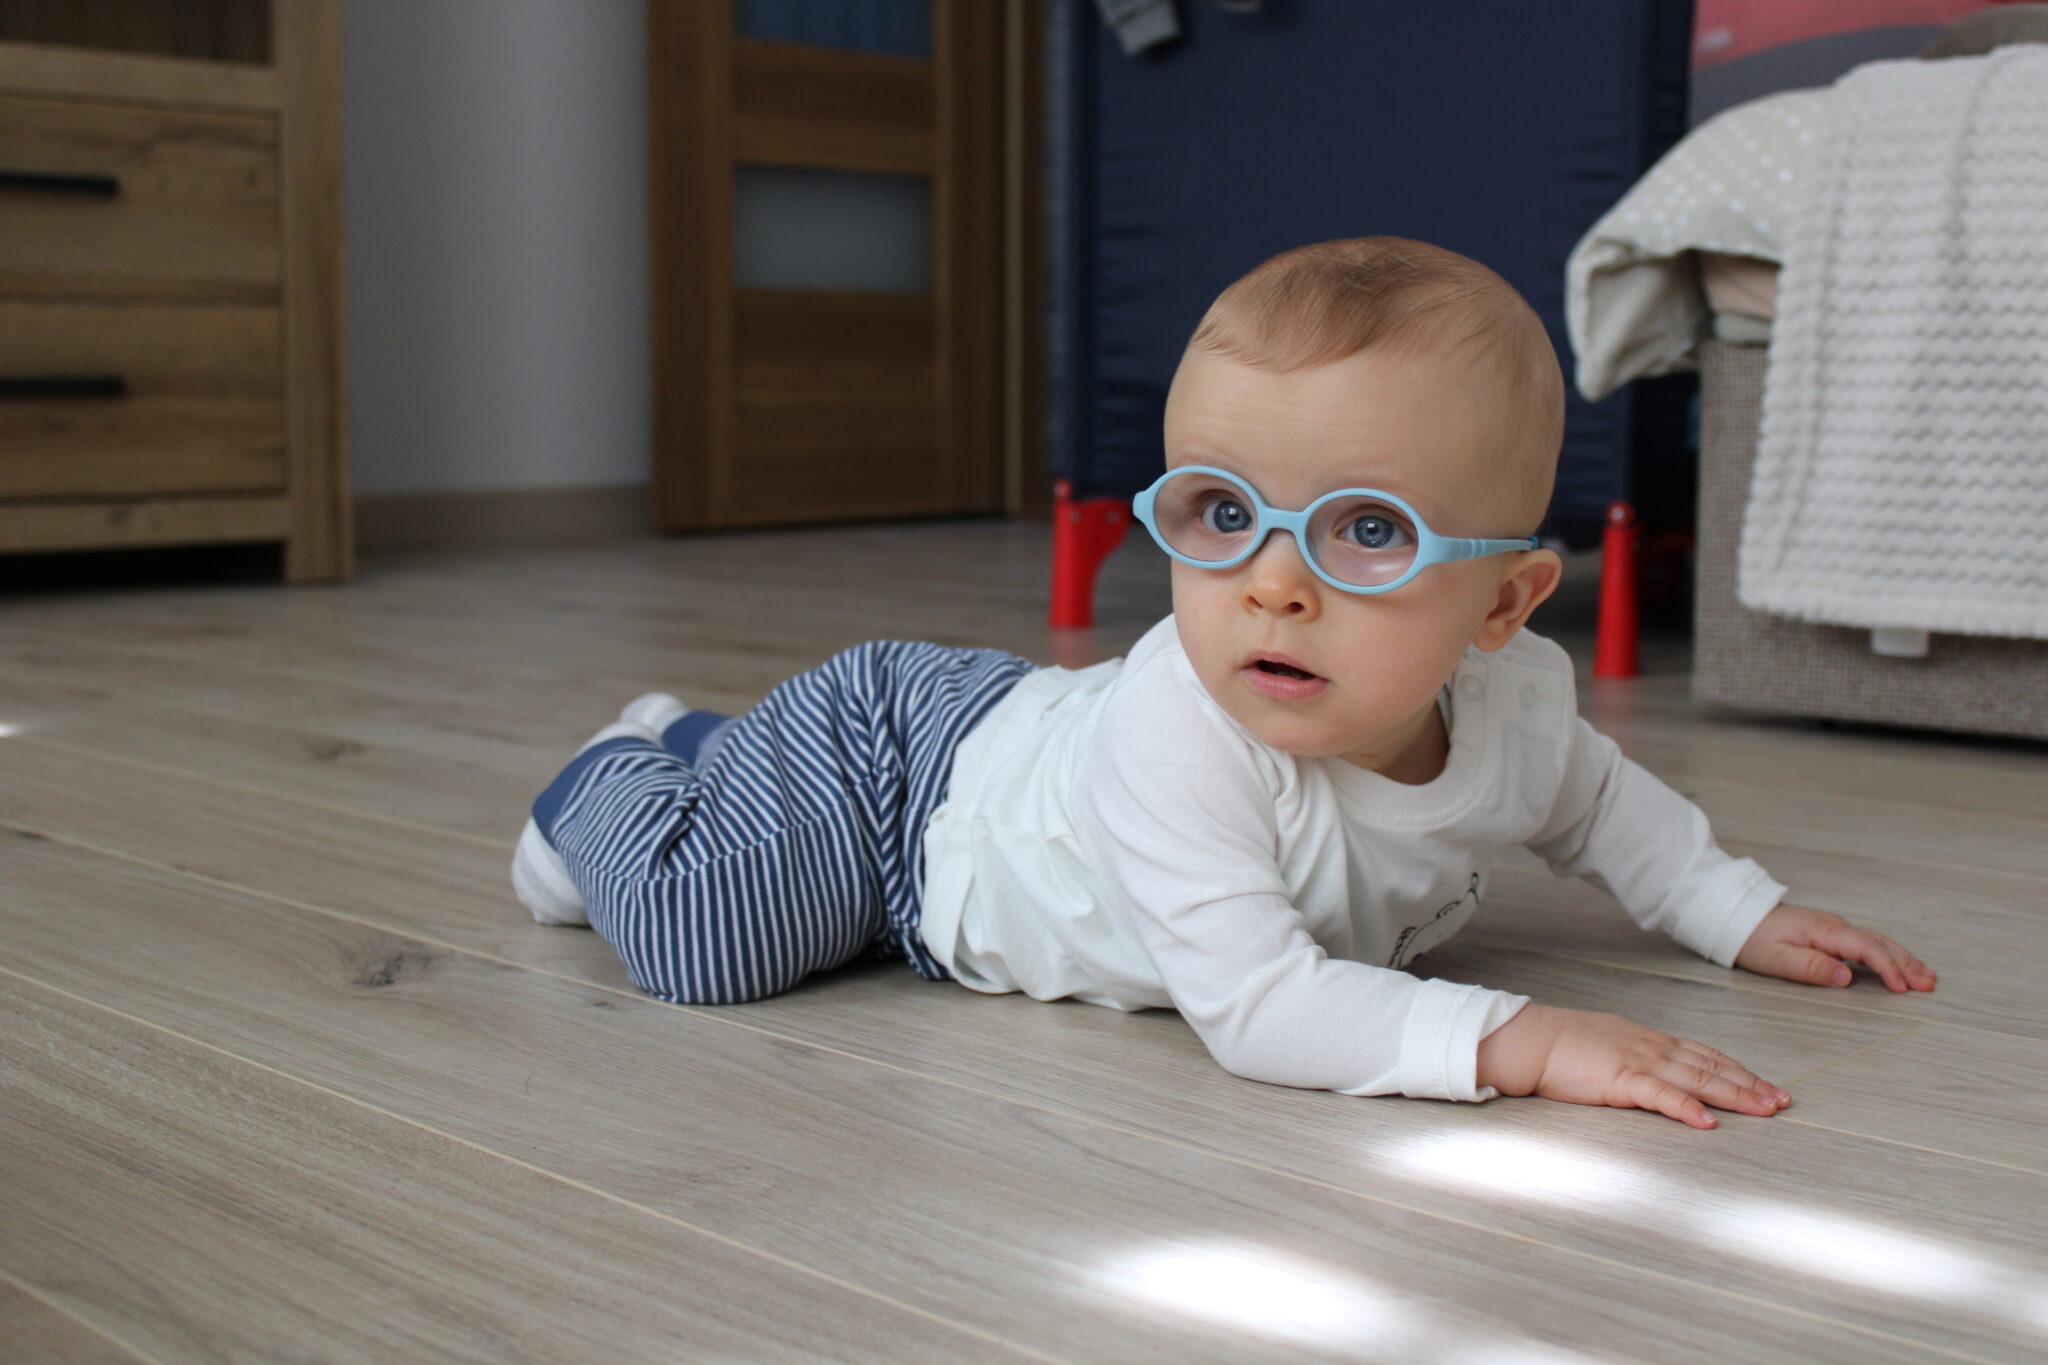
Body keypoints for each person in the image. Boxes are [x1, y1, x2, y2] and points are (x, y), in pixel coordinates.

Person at [512, 236, 1935, 1129]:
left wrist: (1739, 912)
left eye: (1367, 529)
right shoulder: (1184, 730)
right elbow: (1259, 1011)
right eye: (1225, 513)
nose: (1273, 584)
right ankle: (625, 767)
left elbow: (1611, 812)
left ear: (1504, 603)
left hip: (1010, 756)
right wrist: (1525, 1040)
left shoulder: (1519, 715)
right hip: (910, 792)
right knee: (707, 943)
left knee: (750, 896)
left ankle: (721, 752)